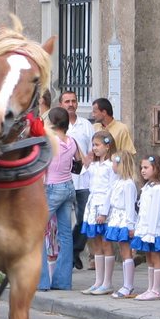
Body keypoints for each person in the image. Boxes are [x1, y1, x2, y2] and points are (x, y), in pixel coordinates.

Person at [38, 107, 79, 291]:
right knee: (65, 234)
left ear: (52, 122)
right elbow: (78, 161)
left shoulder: (49, 142)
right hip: (68, 186)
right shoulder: (72, 141)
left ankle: (41, 281)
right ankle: (63, 281)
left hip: (51, 188)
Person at [60, 91, 94, 270]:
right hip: (63, 180)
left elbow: (93, 148)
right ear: (61, 104)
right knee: (63, 221)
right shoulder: (56, 125)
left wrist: (88, 160)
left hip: (83, 180)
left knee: (83, 218)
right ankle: (65, 255)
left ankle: (75, 250)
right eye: (67, 101)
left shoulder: (86, 125)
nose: (71, 104)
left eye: (73, 101)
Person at [80, 131, 118, 294]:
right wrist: (86, 165)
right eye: (93, 145)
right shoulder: (94, 165)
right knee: (96, 243)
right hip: (93, 203)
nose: (94, 148)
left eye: (97, 145)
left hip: (104, 205)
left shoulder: (111, 165)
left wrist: (104, 212)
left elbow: (111, 189)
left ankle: (107, 282)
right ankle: (98, 281)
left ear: (107, 146)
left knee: (105, 243)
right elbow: (85, 182)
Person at [131, 155, 160, 300]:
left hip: (154, 230)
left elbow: (155, 212)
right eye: (142, 167)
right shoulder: (147, 187)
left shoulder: (157, 189)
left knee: (155, 256)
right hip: (145, 228)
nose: (143, 170)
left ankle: (156, 289)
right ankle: (150, 287)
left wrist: (151, 233)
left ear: (156, 168)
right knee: (149, 257)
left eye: (146, 167)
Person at [103, 151, 139, 298]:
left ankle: (128, 285)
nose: (112, 165)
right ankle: (126, 284)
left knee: (126, 251)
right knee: (122, 250)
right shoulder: (117, 181)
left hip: (124, 220)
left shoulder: (128, 184)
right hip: (116, 219)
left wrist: (130, 226)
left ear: (120, 164)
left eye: (114, 162)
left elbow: (130, 206)